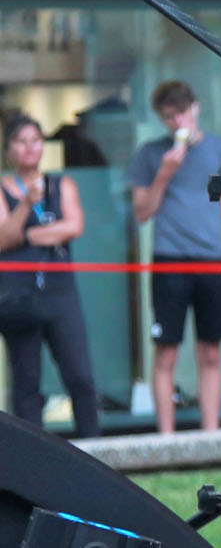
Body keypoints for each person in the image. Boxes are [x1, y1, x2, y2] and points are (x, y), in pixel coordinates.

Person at [127, 80, 221, 434]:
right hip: (169, 258)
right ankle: (167, 440)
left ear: (196, 108)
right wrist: (164, 174)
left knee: (211, 352)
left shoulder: (220, 149)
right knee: (167, 352)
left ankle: (211, 435)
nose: (178, 123)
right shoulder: (150, 153)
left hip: (210, 259)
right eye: (169, 117)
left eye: (182, 113)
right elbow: (142, 212)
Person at [0, 112, 101, 436]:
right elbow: (3, 239)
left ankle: (95, 449)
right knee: (26, 383)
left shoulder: (62, 184)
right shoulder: (4, 190)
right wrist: (27, 206)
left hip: (60, 292)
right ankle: (31, 468)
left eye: (35, 141)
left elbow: (74, 226)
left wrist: (28, 235)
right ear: (9, 149)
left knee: (80, 376)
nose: (29, 148)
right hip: (19, 297)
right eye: (21, 142)